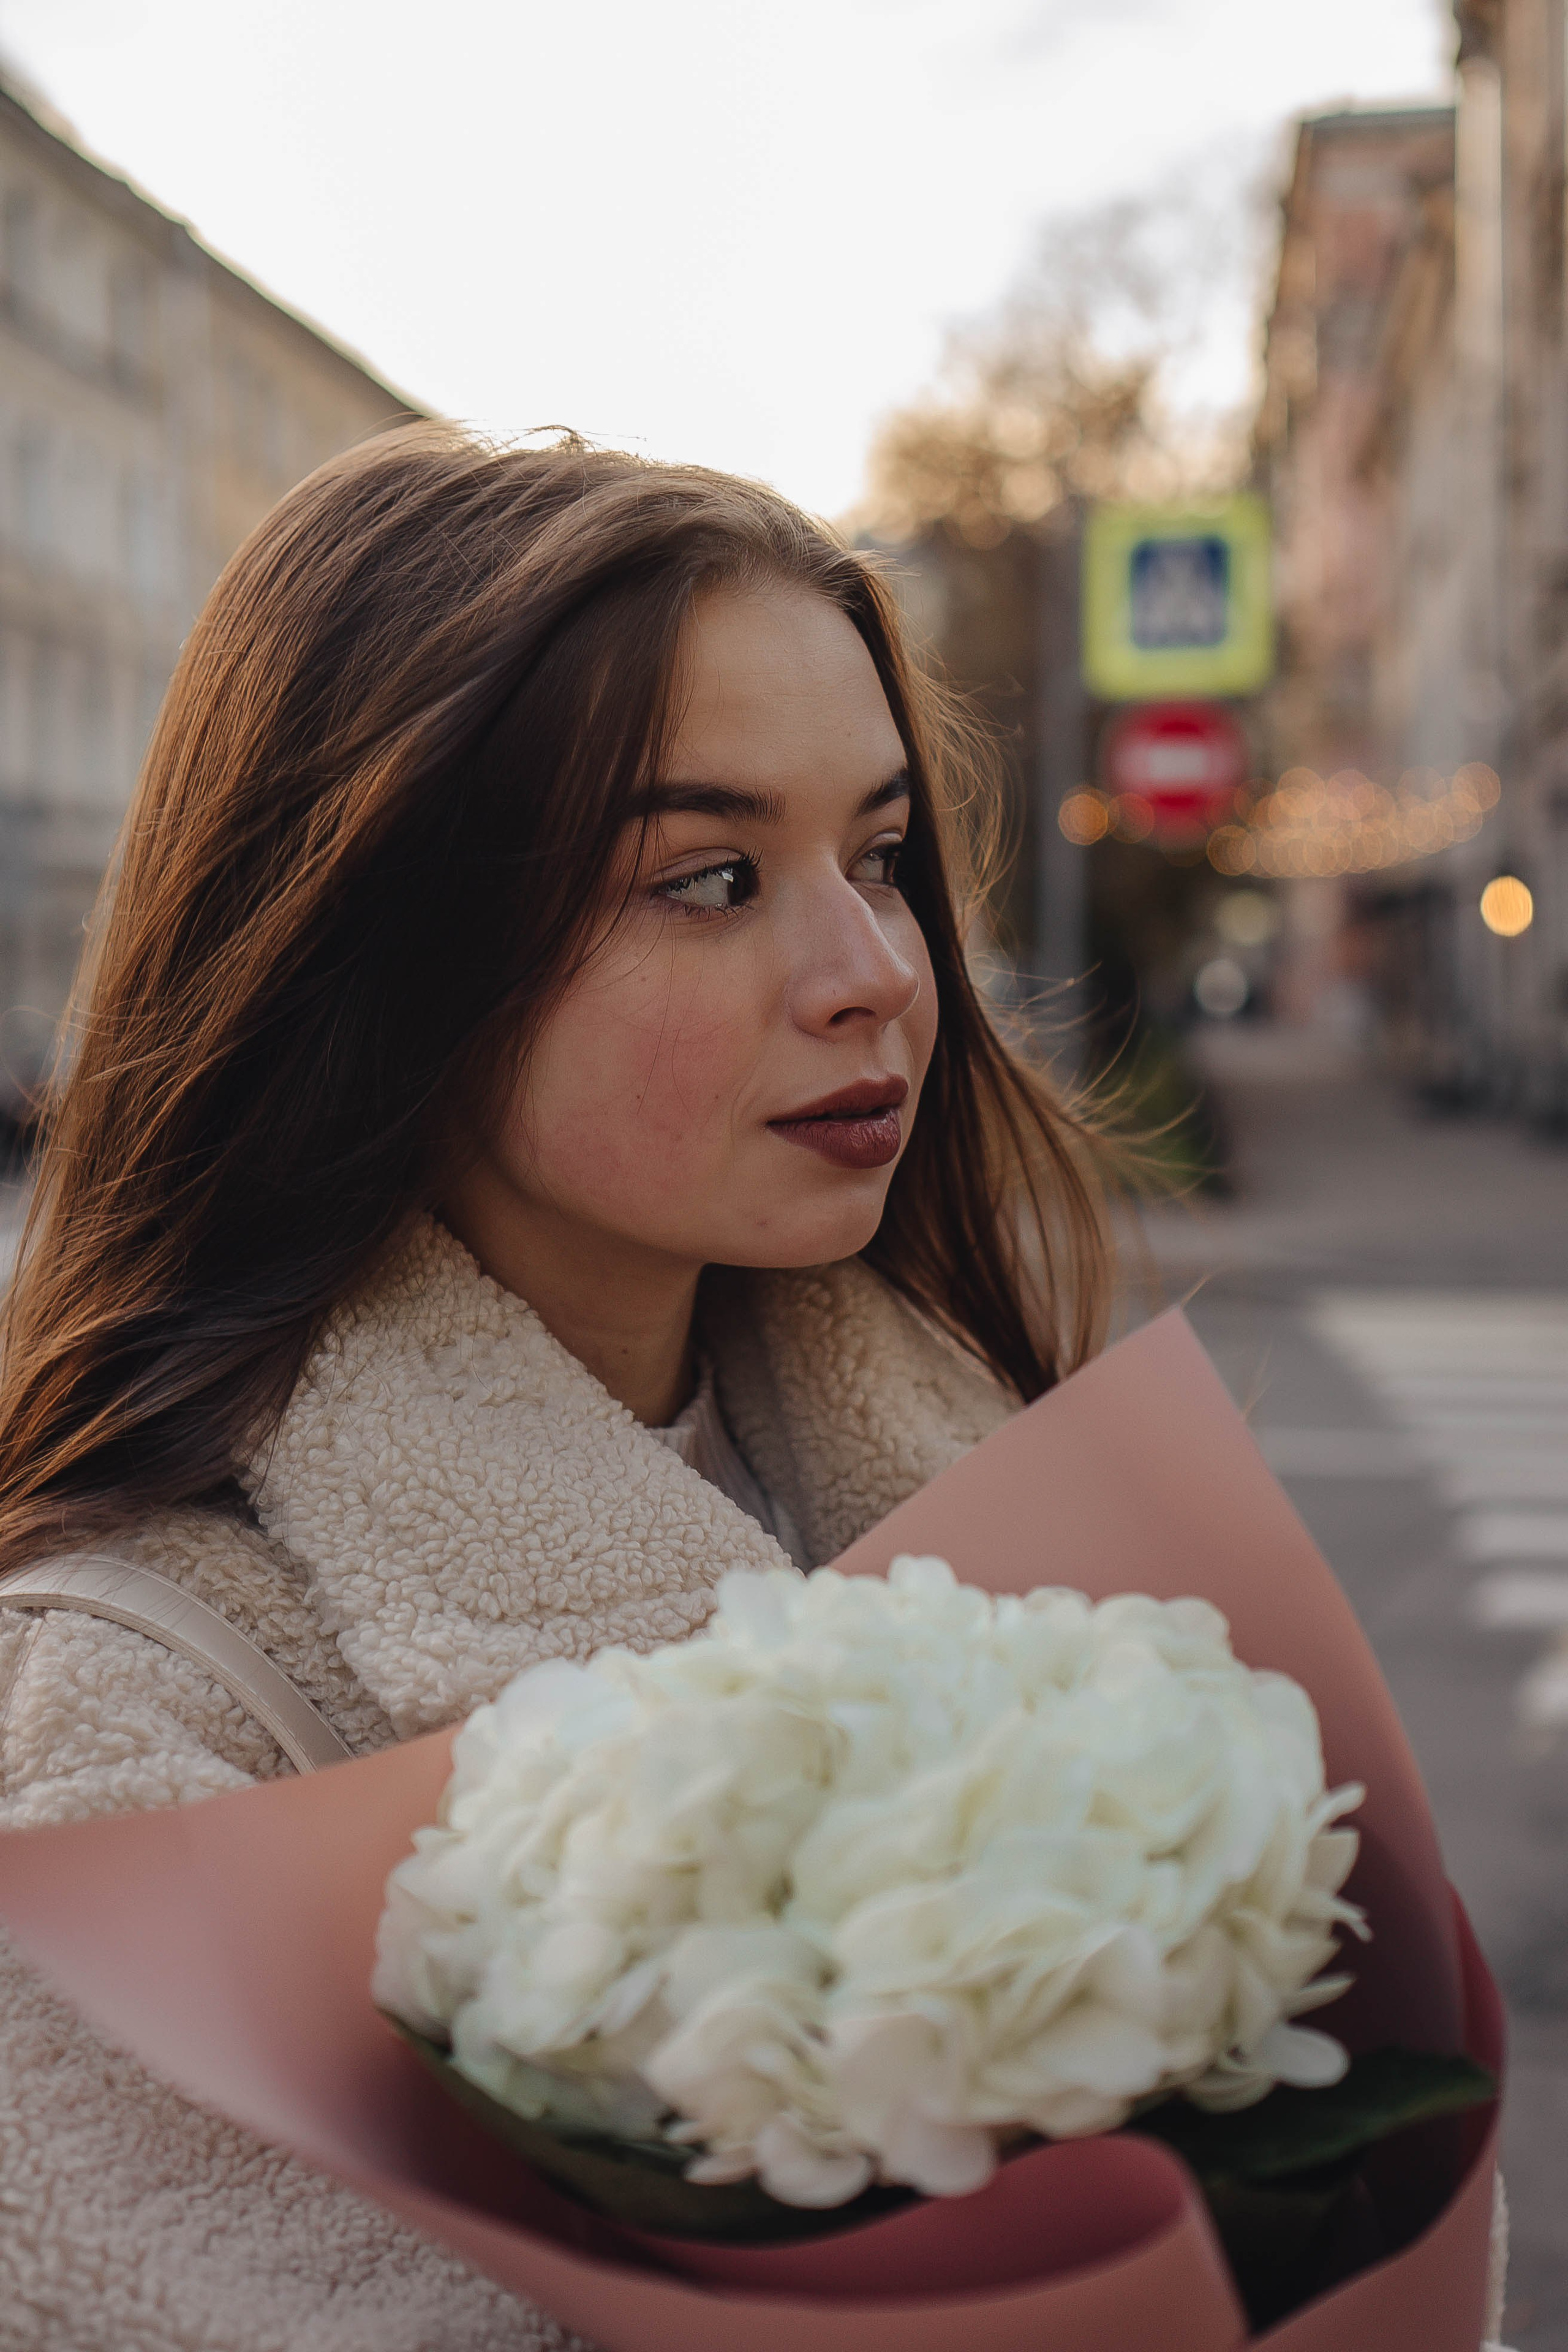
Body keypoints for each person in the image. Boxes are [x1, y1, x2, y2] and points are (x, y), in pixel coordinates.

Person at [0, 423, 1110, 2351]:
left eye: (877, 856)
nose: (873, 974)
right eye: (708, 879)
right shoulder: (132, 1714)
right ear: (386, 951)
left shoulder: (991, 1490)